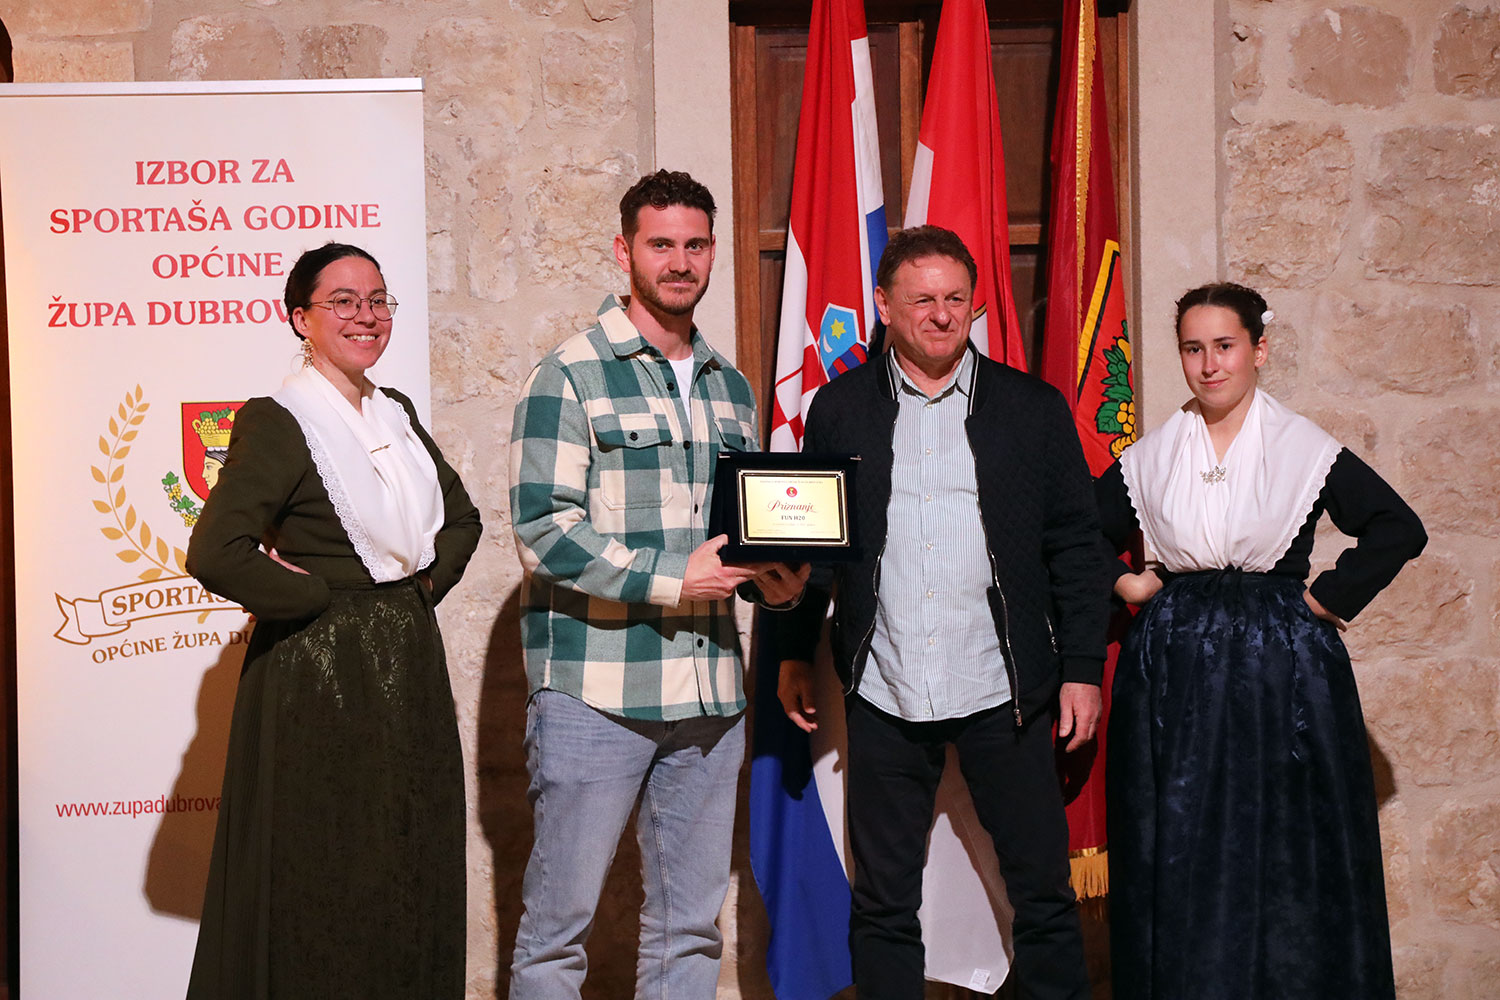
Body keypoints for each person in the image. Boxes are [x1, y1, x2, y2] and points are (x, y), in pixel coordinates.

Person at [775, 225, 1108, 1000]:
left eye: (956, 298)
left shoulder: (1032, 409)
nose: (941, 314)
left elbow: (1076, 547)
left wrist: (1084, 669)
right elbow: (812, 545)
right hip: (885, 690)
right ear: (884, 305)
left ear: (973, 305)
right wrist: (792, 650)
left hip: (1005, 690)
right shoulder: (838, 409)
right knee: (883, 904)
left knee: (1043, 895)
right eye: (922, 299)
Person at [508, 169, 809, 999]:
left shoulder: (731, 389)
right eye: (661, 244)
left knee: (690, 931)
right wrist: (677, 579)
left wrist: (776, 585)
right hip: (595, 692)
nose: (680, 262)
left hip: (709, 697)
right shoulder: (568, 375)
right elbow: (543, 532)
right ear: (624, 251)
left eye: (695, 244)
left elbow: (734, 542)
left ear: (712, 252)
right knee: (556, 936)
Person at [1097, 282, 1426, 1000]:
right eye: (1193, 348)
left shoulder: (1302, 447)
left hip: (1281, 672)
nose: (1209, 364)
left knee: (1281, 842)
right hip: (1175, 672)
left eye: (1225, 346)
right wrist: (1127, 584)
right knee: (1185, 839)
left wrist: (1325, 598)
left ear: (1259, 350)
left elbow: (1399, 528)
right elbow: (1074, 533)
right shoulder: (1153, 456)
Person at [185, 242, 482, 999]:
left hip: (408, 669)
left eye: (377, 300)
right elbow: (215, 550)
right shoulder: (279, 421)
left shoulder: (396, 413)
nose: (365, 315)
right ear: (301, 319)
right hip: (319, 680)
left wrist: (414, 594)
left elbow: (462, 520)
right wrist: (318, 601)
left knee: (406, 860)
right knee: (328, 872)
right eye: (343, 301)